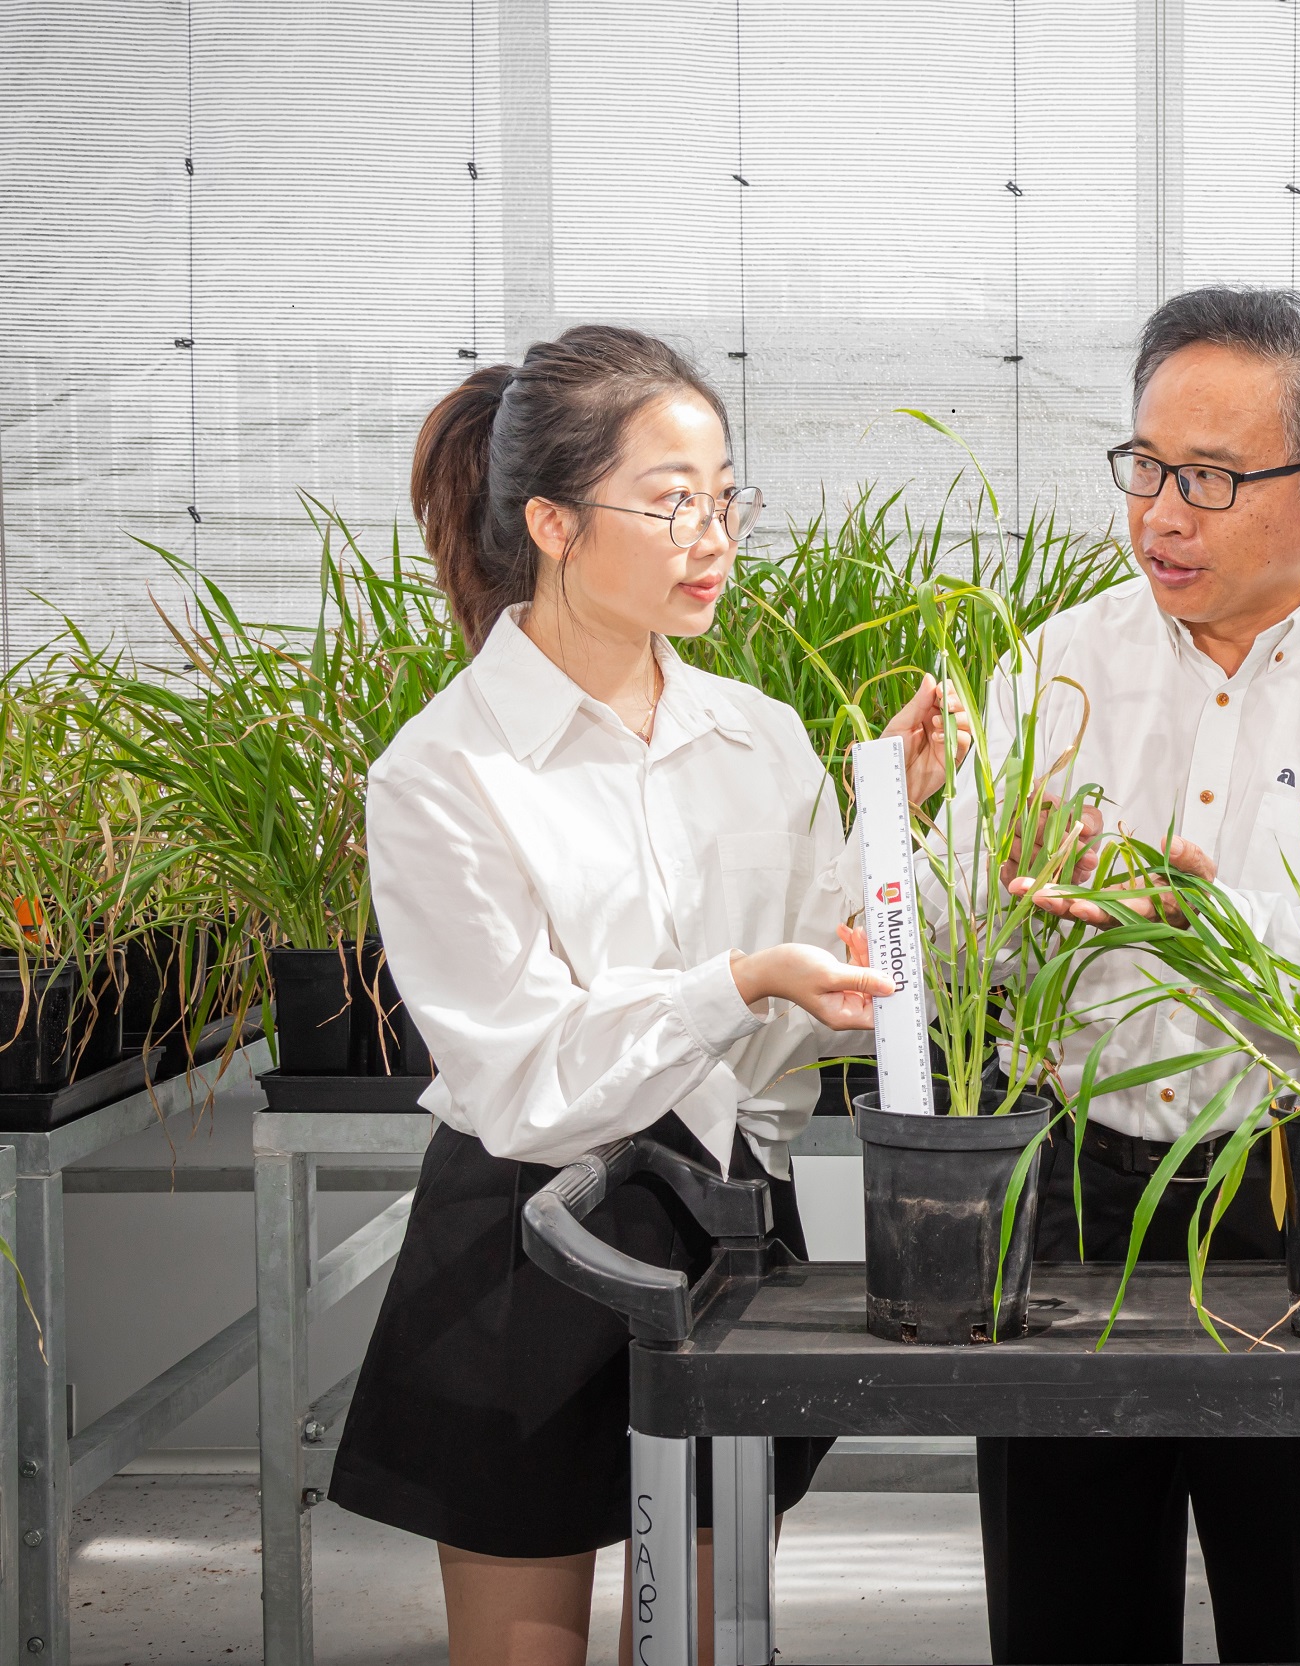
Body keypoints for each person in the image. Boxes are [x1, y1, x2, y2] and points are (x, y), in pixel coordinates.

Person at [327, 324, 965, 1666]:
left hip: (728, 1221)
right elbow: (522, 1076)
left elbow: (802, 1013)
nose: (712, 534)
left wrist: (892, 837)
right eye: (671, 501)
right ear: (552, 520)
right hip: (527, 1237)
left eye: (726, 496)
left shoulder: (758, 734)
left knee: (704, 1644)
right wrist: (737, 979)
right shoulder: (444, 771)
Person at [969, 287, 1300, 1666]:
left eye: (1208, 478)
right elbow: (964, 957)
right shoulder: (1053, 669)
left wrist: (1200, 916)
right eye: (1144, 468)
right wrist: (957, 864)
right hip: (1078, 1189)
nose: (1160, 512)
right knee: (1063, 1611)